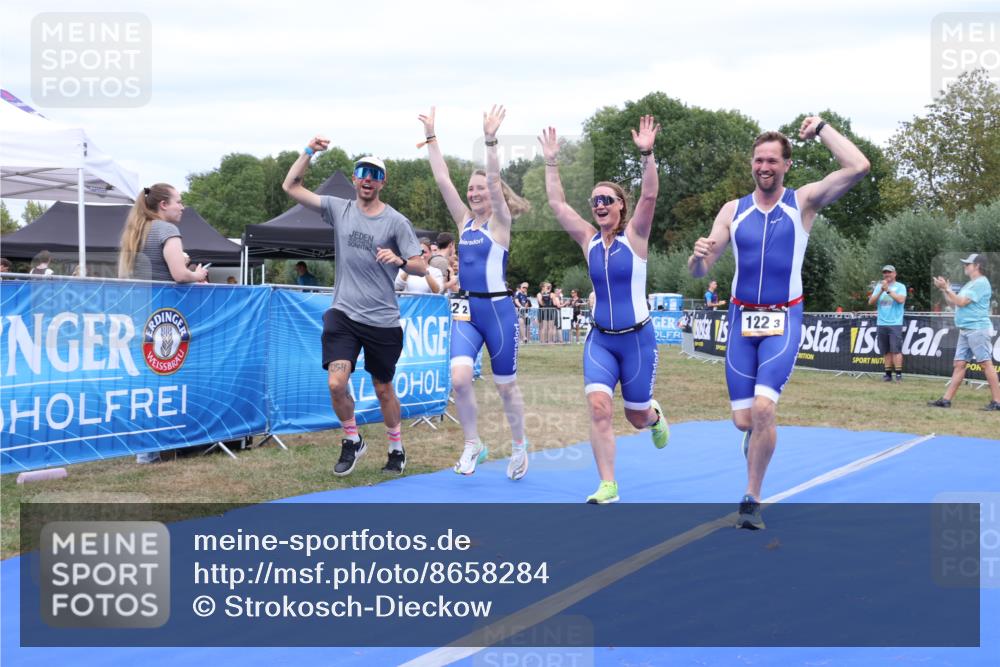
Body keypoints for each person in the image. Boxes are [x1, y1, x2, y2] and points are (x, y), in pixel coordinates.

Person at [688, 117, 870, 529]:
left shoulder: (802, 201)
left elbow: (858, 167)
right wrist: (698, 257)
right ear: (751, 164)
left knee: (765, 409)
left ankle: (752, 497)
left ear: (787, 165)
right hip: (739, 320)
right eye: (758, 160)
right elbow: (701, 271)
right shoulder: (732, 210)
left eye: (772, 160)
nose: (764, 166)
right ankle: (753, 441)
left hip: (784, 318)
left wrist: (822, 128)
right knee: (745, 420)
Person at [539, 115, 670, 504]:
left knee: (636, 416)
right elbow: (556, 203)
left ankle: (655, 417)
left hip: (637, 341)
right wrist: (551, 161)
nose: (598, 205)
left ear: (620, 206)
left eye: (606, 200)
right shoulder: (587, 240)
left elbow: (649, 196)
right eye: (594, 201)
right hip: (600, 342)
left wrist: (647, 154)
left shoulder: (636, 236)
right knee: (598, 407)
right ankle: (608, 484)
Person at [283, 142, 427, 476]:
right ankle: (352, 440)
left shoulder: (396, 222)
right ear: (354, 178)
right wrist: (308, 151)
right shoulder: (338, 208)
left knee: (383, 389)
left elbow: (421, 266)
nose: (368, 179)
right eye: (363, 172)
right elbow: (291, 186)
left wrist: (401, 259)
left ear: (382, 183)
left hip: (382, 320)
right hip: (343, 313)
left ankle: (395, 447)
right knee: (336, 383)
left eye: (375, 175)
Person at [420, 104, 532, 480]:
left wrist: (489, 139)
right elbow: (442, 180)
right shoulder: (464, 221)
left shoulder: (500, 222)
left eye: (481, 187)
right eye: (471, 188)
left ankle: (519, 446)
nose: (473, 192)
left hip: (498, 311)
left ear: (494, 192)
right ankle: (473, 444)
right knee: (460, 378)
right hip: (466, 308)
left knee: (505, 387)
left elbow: (495, 177)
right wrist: (432, 137)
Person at [118, 183, 210, 463]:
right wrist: (198, 273)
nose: (183, 207)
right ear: (163, 205)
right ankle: (149, 453)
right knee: (161, 383)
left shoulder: (138, 230)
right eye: (179, 202)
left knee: (145, 384)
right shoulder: (167, 230)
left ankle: (144, 449)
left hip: (138, 316)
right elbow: (179, 275)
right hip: (161, 318)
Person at [929, 254, 1000, 411]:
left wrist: (947, 288)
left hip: (977, 329)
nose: (965, 266)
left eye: (968, 264)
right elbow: (954, 303)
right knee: (960, 364)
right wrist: (944, 290)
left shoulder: (981, 283)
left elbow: (961, 302)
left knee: (985, 364)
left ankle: (997, 402)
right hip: (966, 329)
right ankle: (946, 400)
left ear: (977, 266)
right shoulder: (970, 284)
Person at [868, 264, 907, 382]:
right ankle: (888, 374)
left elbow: (901, 300)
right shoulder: (879, 287)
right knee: (886, 350)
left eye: (889, 272)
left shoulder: (900, 286)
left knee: (896, 350)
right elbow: (871, 302)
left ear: (894, 274)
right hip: (881, 323)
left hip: (895, 323)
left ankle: (899, 375)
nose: (887, 274)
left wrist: (888, 290)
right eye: (885, 272)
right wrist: (881, 290)